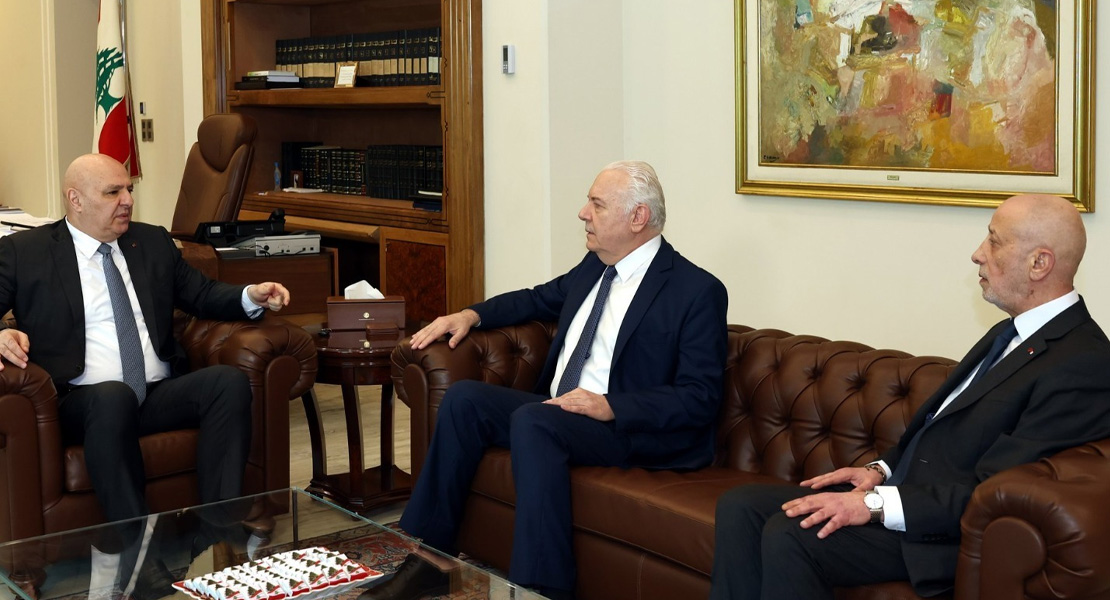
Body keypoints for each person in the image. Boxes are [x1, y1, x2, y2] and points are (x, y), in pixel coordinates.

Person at [709, 194, 1110, 600]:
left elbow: (997, 491)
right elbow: (941, 430)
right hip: (903, 498)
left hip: (940, 534)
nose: (977, 254)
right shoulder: (1010, 331)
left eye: (994, 240)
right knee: (740, 507)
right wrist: (880, 471)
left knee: (793, 532)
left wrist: (875, 504)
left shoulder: (1083, 364)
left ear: (1039, 263)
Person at [361, 161, 728, 600]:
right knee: (463, 401)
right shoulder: (595, 267)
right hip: (561, 412)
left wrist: (609, 405)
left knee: (534, 422)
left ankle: (540, 588)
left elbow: (700, 396)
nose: (583, 213)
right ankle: (430, 561)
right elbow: (537, 299)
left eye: (597, 204)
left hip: (628, 428)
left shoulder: (695, 290)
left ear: (638, 217)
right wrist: (470, 314)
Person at [0, 153, 291, 598]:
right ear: (75, 200)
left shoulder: (151, 241)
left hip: (155, 392)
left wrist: (251, 295)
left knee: (226, 383)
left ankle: (215, 532)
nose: (127, 200)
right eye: (113, 192)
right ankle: (138, 552)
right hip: (80, 402)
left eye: (129, 189)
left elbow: (202, 294)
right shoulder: (27, 252)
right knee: (112, 396)